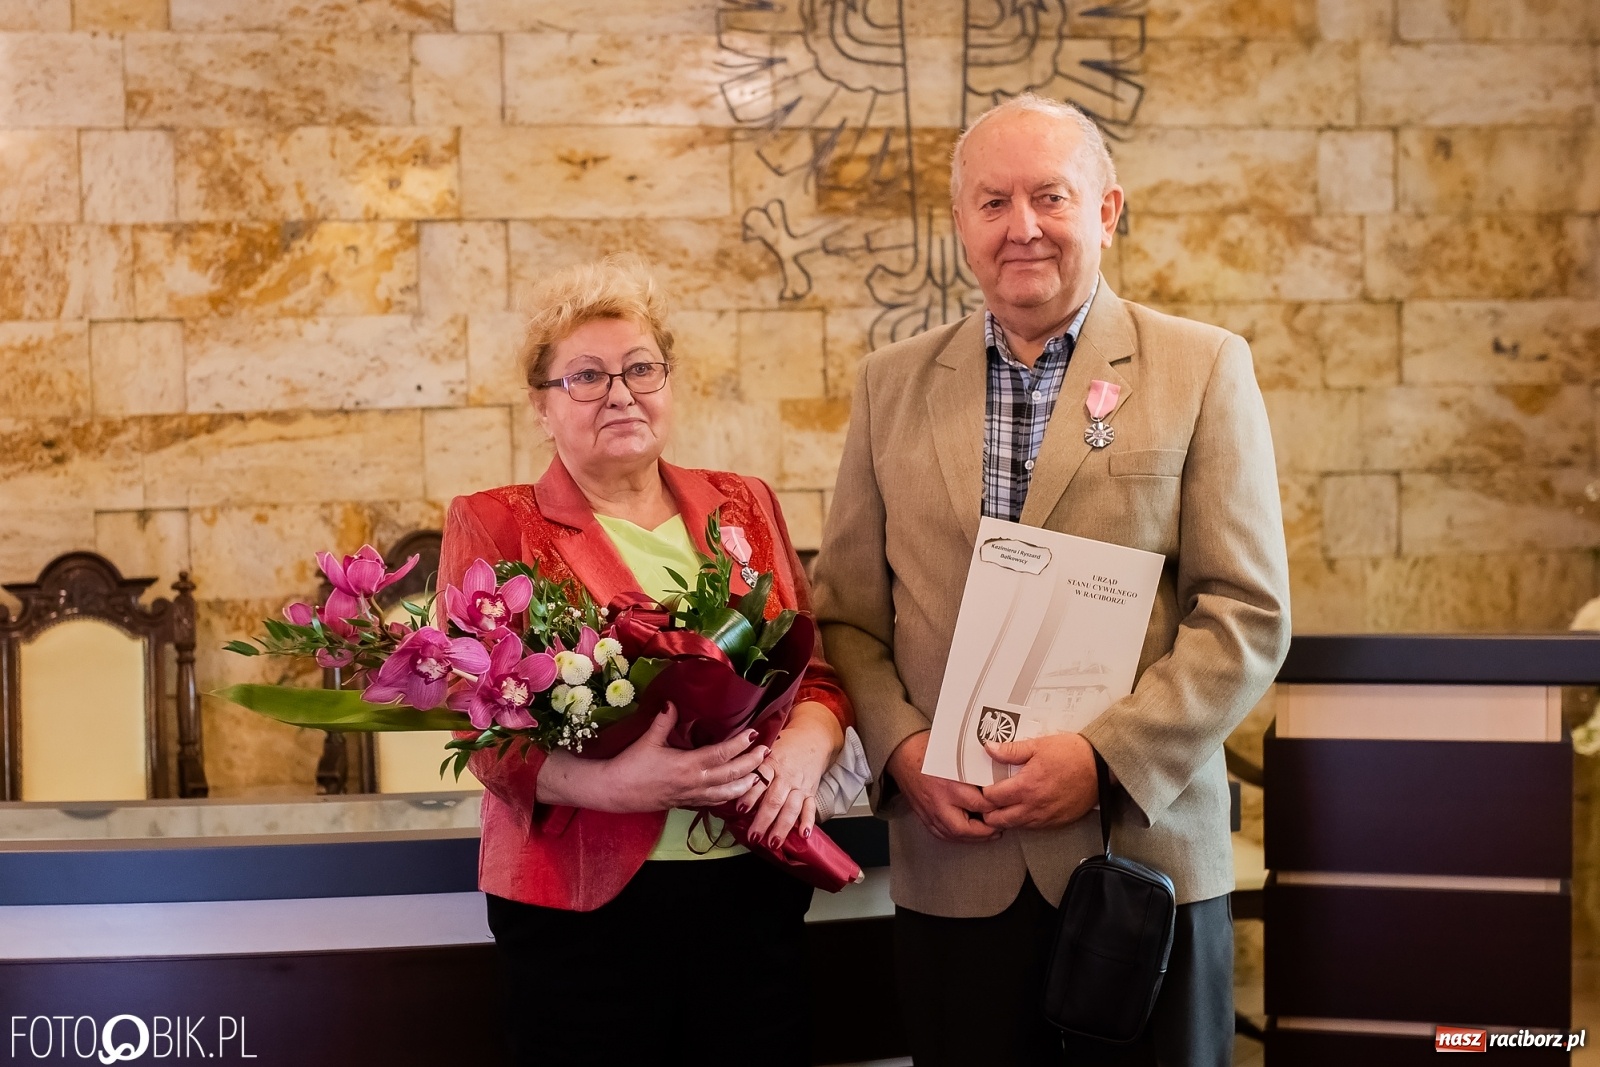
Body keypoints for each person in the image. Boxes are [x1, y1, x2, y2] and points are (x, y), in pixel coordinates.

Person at [813, 94, 1292, 1066]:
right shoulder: (887, 385)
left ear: (1107, 209)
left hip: (1139, 862)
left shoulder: (1201, 367)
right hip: (957, 859)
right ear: (959, 225)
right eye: (992, 202)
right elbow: (849, 619)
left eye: (1050, 196)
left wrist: (1104, 756)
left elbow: (1245, 612)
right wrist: (903, 751)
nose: (1021, 226)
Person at [440, 254, 853, 1067]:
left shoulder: (745, 502)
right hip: (581, 908)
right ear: (540, 406)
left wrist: (805, 753)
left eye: (640, 368)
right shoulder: (497, 525)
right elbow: (481, 726)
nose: (620, 392)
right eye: (586, 376)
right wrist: (618, 785)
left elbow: (820, 676)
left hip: (749, 884)